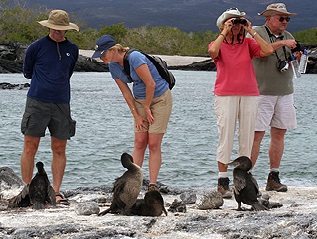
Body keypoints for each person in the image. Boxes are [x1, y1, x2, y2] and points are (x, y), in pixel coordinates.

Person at [91, 35, 172, 191]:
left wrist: (148, 107)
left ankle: (153, 184)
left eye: (103, 54)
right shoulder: (112, 66)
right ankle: (133, 181)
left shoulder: (135, 57)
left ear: (113, 50)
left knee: (154, 143)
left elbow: (151, 83)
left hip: (160, 97)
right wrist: (136, 115)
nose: (101, 58)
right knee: (140, 140)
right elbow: (126, 93)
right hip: (140, 99)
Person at [208, 8, 273, 198]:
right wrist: (224, 31)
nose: (235, 26)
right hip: (225, 94)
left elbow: (268, 50)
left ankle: (244, 179)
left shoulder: (248, 43)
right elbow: (213, 51)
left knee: (247, 136)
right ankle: (222, 180)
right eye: (231, 22)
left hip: (249, 94)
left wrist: (251, 30)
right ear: (223, 24)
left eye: (238, 22)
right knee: (225, 134)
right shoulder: (217, 42)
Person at [21, 9, 79, 204]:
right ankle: (28, 190)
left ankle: (56, 191)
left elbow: (67, 73)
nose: (58, 32)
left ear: (66, 29)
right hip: (37, 101)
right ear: (49, 27)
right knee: (30, 145)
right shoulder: (35, 47)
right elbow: (27, 72)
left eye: (62, 29)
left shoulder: (73, 49)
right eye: (55, 28)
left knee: (60, 147)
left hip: (62, 103)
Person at [250, 3, 298, 192]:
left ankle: (273, 177)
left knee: (279, 134)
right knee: (256, 135)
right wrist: (282, 44)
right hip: (261, 93)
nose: (285, 22)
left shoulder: (289, 36)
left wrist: (297, 56)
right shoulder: (256, 32)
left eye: (287, 18)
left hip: (285, 91)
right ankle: (247, 178)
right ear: (269, 18)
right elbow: (262, 52)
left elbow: (291, 62)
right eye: (281, 18)